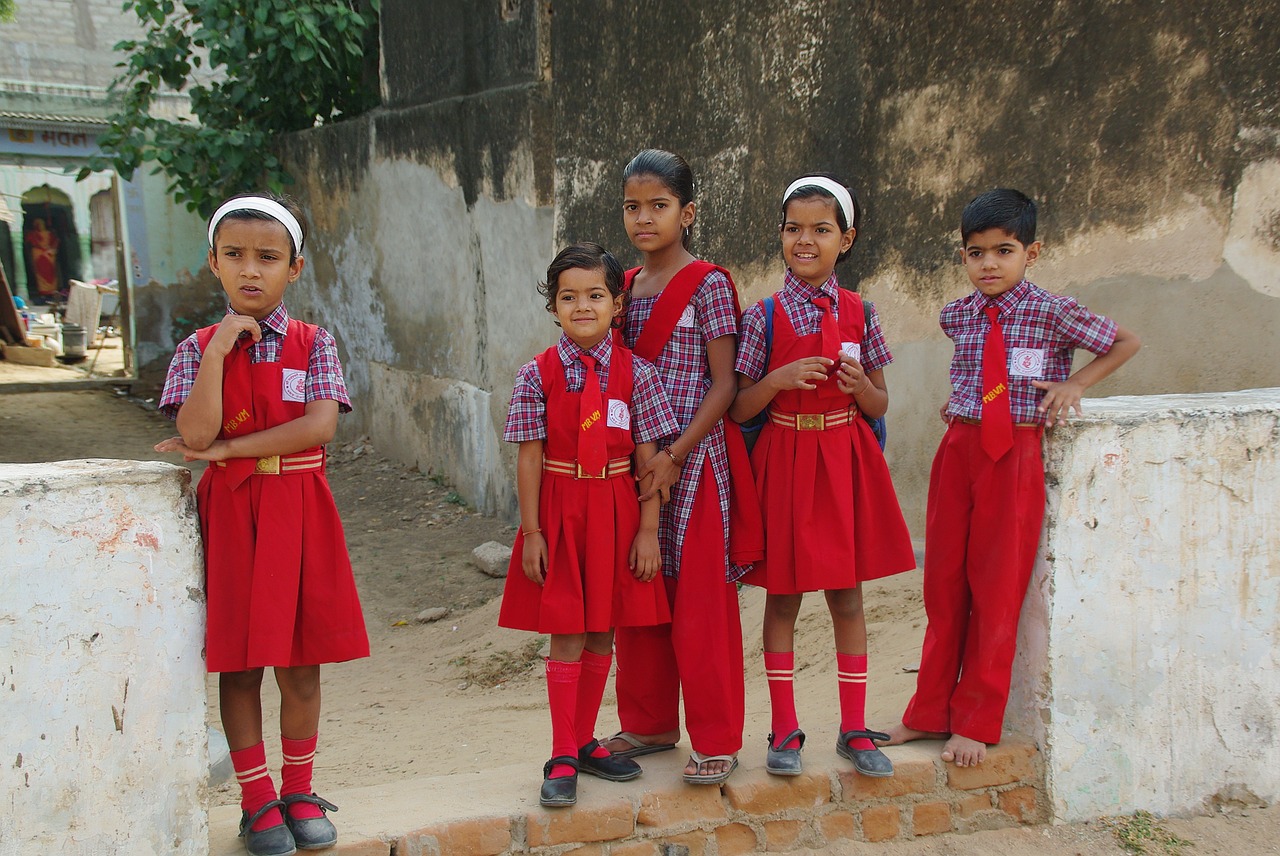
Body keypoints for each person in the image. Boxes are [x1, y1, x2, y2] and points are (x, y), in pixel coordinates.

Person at [880, 188, 1141, 767]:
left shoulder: (1053, 311)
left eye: (1004, 250)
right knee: (944, 584)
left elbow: (1125, 342)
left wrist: (1076, 384)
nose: (989, 264)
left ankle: (976, 719)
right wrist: (960, 404)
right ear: (964, 256)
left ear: (1032, 251)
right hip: (960, 450)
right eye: (976, 253)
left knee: (997, 586)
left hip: (1014, 451)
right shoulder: (958, 314)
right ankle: (928, 712)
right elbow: (974, 368)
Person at [155, 193, 368, 856]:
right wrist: (219, 351)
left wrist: (228, 450)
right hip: (234, 520)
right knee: (242, 664)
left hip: (301, 509)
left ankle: (300, 791)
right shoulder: (196, 349)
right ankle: (256, 803)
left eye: (268, 258)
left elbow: (319, 425)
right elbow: (194, 431)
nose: (252, 270)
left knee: (302, 664)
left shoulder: (315, 343)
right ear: (212, 264)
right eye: (235, 256)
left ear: (295, 268)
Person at [730, 175, 916, 779]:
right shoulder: (761, 316)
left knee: (848, 596)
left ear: (847, 239)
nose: (804, 241)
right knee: (783, 596)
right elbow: (738, 407)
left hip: (844, 462)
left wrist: (862, 388)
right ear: (781, 236)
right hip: (784, 461)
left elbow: (881, 403)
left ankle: (854, 728)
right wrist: (778, 381)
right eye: (793, 229)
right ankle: (784, 727)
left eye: (821, 230)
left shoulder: (861, 311)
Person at [498, 242, 678, 808]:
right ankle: (560, 751)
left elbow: (650, 460)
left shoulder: (637, 375)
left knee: (604, 628)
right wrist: (532, 533)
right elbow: (528, 457)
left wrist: (648, 529)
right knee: (568, 631)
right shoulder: (537, 375)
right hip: (560, 508)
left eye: (595, 295)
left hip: (618, 510)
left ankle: (583, 740)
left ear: (616, 304)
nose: (582, 306)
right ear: (553, 307)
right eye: (568, 296)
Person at [602, 149, 760, 785]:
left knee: (700, 600)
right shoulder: (621, 288)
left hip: (694, 465)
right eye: (632, 207)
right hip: (635, 461)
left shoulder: (710, 284)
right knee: (639, 590)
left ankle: (717, 738)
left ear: (686, 213)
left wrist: (674, 455)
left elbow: (725, 386)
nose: (644, 219)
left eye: (658, 207)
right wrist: (647, 459)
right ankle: (649, 722)